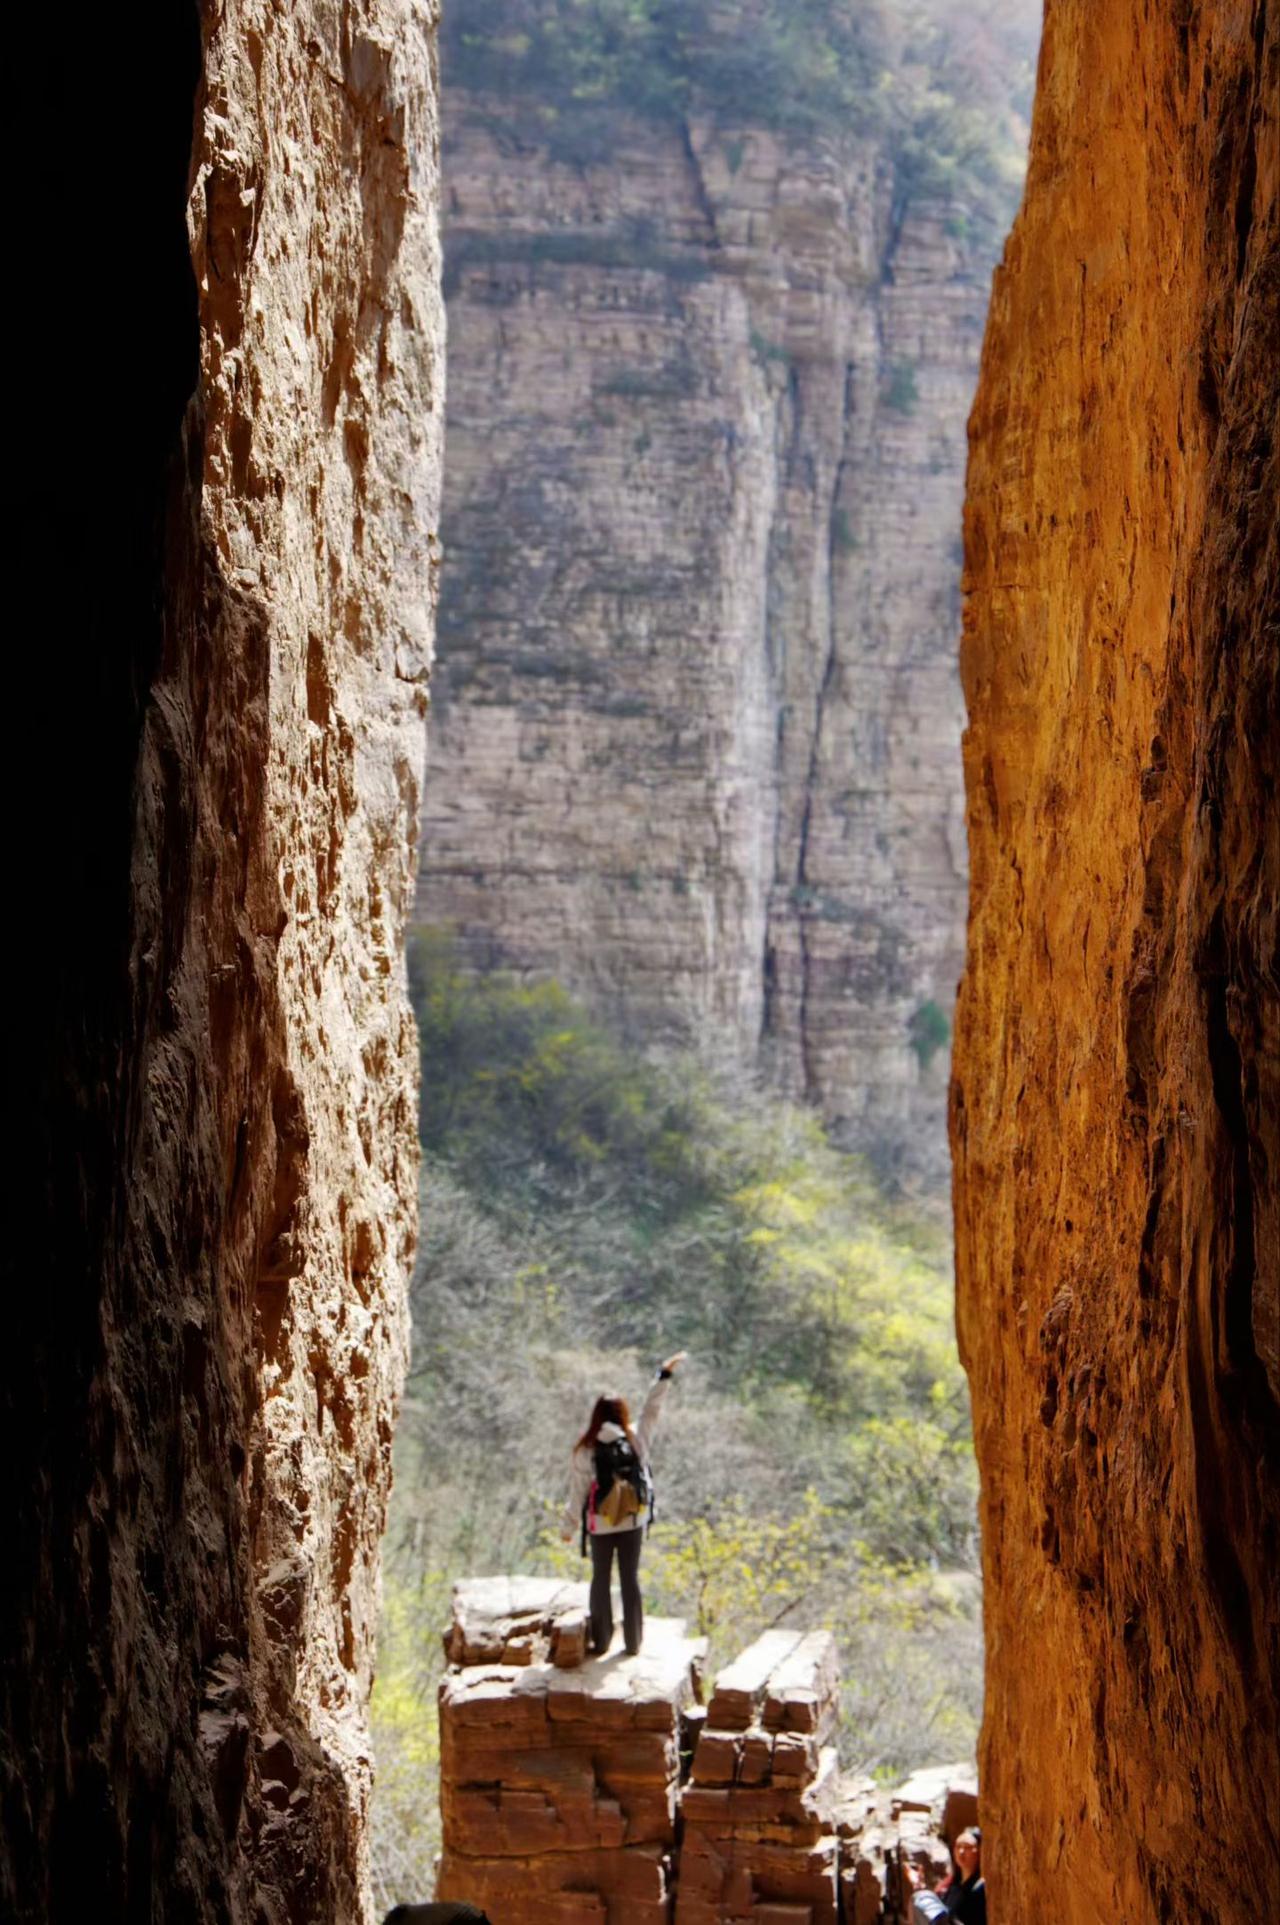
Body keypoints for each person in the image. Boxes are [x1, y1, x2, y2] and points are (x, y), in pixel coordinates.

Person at [560, 1351, 687, 1656]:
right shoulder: (634, 1439)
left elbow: (578, 1491)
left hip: (599, 1524)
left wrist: (568, 1526)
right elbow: (652, 1410)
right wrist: (663, 1375)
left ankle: (601, 1641)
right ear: (622, 1413)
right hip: (633, 1520)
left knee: (600, 1579)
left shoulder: (586, 1448)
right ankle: (633, 1643)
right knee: (630, 1578)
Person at [904, 1826, 986, 1924]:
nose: (961, 1852)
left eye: (967, 1847)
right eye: (958, 1846)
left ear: (979, 1851)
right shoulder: (951, 1886)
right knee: (919, 1898)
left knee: (923, 1897)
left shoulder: (981, 1887)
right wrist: (919, 1885)